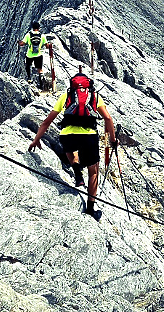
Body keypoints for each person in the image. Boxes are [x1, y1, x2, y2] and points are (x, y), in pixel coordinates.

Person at [28, 71, 116, 220]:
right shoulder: (95, 97)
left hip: (67, 135)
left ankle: (77, 172)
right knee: (93, 171)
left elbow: (47, 121)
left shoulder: (66, 96)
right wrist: (113, 140)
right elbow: (107, 118)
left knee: (70, 149)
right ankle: (90, 208)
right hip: (89, 137)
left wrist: (36, 139)